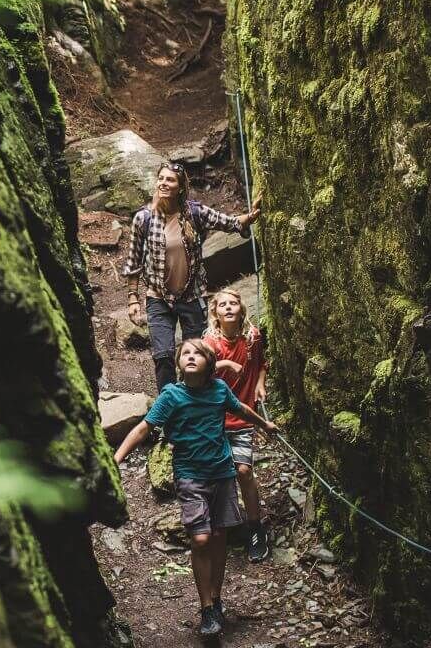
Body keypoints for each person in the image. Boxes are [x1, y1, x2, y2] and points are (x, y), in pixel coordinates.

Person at [112, 339, 279, 638]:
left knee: (219, 536)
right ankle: (205, 607)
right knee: (201, 539)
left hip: (222, 473)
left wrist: (264, 425)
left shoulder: (218, 390)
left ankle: (215, 600)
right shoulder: (171, 395)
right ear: (178, 363)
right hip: (191, 476)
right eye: (185, 353)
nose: (190, 357)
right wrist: (115, 459)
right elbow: (143, 428)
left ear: (209, 363)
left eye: (197, 353)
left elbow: (239, 408)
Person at [121, 162, 261, 392]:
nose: (164, 183)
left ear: (180, 187)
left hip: (192, 298)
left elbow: (229, 223)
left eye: (170, 180)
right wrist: (133, 298)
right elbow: (133, 261)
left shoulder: (194, 213)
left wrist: (250, 216)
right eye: (161, 179)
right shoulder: (144, 219)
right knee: (164, 355)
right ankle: (169, 407)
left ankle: (193, 402)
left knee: (195, 356)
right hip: (158, 299)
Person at [204, 288, 272, 562]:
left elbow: (262, 364)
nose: (229, 307)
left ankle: (256, 527)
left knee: (243, 471)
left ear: (241, 310)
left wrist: (259, 384)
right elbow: (196, 372)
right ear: (215, 313)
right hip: (214, 419)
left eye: (234, 303)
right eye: (223, 305)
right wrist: (226, 363)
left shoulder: (252, 337)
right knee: (218, 473)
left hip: (244, 415)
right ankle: (219, 524)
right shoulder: (209, 343)